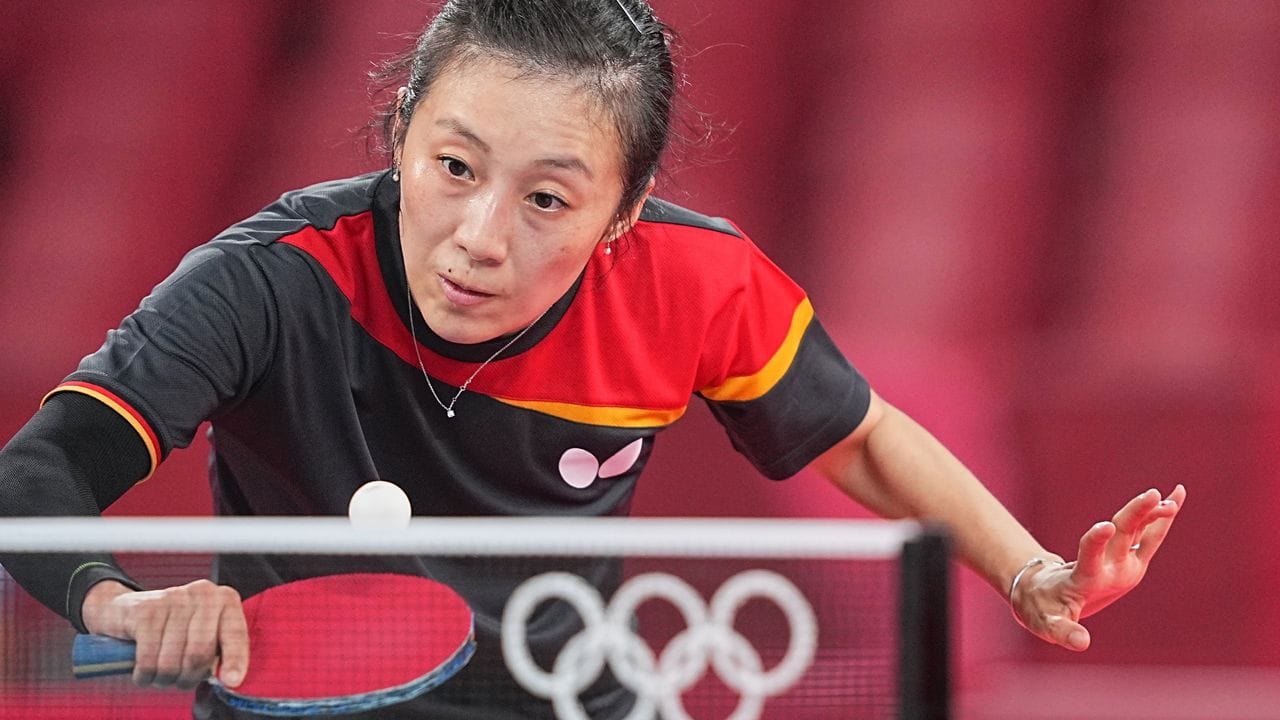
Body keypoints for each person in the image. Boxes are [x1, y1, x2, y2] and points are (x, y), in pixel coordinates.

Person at [0, 0, 1184, 718]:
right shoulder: (272, 281)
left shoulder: (693, 283)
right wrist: (121, 599)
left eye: (548, 199)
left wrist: (1028, 575)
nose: (478, 239)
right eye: (453, 167)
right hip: (301, 712)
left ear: (622, 212)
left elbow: (858, 433)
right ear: (401, 130)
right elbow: (36, 478)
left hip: (570, 702)